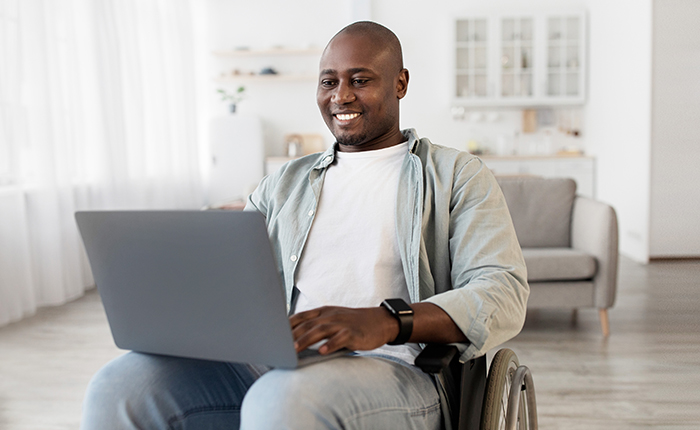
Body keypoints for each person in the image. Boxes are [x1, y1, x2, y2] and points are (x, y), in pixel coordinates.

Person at [81, 21, 528, 430]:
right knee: (120, 387)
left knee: (279, 401)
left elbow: (502, 290)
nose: (341, 96)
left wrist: (386, 321)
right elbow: (233, 281)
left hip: (395, 369)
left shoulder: (456, 175)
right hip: (277, 363)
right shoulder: (282, 184)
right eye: (329, 82)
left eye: (360, 80)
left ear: (400, 83)